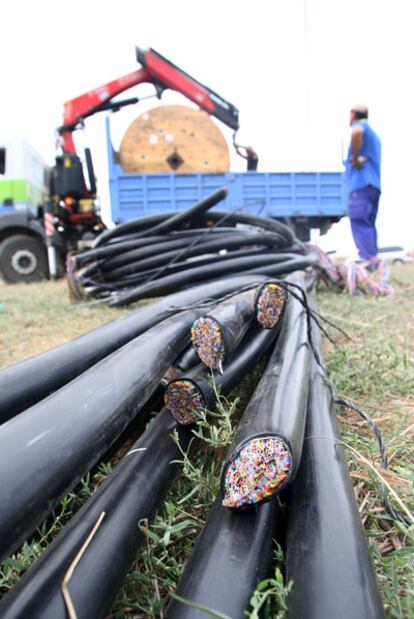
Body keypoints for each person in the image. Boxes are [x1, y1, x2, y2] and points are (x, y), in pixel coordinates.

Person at [345, 104, 382, 269]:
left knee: (359, 220)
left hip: (361, 184)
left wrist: (354, 158)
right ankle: (373, 261)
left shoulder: (361, 127)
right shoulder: (374, 135)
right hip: (373, 185)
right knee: (368, 223)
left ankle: (367, 260)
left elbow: (356, 132)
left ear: (354, 116)